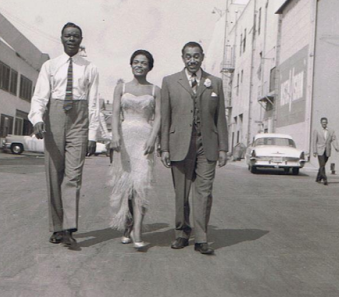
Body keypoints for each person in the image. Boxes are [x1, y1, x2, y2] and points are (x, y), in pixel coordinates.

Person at [29, 22, 99, 248]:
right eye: (68, 36)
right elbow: (40, 97)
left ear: (81, 40)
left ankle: (69, 229)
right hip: (54, 118)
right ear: (61, 38)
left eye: (76, 36)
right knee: (54, 173)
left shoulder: (90, 68)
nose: (71, 39)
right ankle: (56, 227)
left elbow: (94, 104)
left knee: (73, 176)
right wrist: (38, 119)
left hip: (79, 120)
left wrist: (93, 135)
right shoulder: (50, 66)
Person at [160, 42, 228, 255]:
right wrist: (164, 148)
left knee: (204, 192)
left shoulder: (214, 83)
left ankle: (201, 238)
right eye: (188, 56)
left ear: (202, 57)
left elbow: (220, 118)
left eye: (196, 56)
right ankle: (181, 232)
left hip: (206, 145)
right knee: (181, 193)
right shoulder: (170, 82)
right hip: (179, 144)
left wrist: (223, 148)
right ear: (182, 57)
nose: (192, 60)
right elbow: (165, 118)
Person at [109, 50, 161, 249]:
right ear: (131, 65)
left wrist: (152, 138)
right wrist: (115, 136)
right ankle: (127, 225)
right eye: (136, 62)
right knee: (126, 186)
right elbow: (114, 113)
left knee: (141, 185)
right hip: (125, 139)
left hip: (144, 140)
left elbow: (159, 117)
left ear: (149, 66)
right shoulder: (120, 88)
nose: (139, 65)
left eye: (144, 63)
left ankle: (137, 229)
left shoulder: (156, 90)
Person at [312, 117, 339, 186]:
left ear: (327, 123)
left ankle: (318, 178)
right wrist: (314, 151)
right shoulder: (317, 130)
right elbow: (314, 141)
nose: (324, 124)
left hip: (327, 150)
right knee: (322, 164)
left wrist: (336, 147)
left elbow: (334, 139)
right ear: (321, 123)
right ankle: (325, 179)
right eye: (323, 123)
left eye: (325, 123)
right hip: (320, 150)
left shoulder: (331, 130)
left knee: (322, 165)